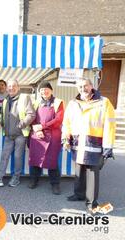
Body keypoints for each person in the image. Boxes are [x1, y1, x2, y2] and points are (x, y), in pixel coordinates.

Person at [62, 78, 116, 215]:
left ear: (91, 86)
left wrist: (108, 146)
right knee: (79, 171)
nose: (82, 89)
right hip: (78, 143)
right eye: (80, 87)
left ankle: (92, 203)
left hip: (94, 143)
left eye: (85, 86)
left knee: (92, 174)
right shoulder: (73, 103)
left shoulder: (104, 102)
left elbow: (110, 125)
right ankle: (79, 194)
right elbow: (66, 122)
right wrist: (65, 137)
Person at [0, 79, 35, 187]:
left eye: (14, 86)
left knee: (18, 157)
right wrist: (0, 122)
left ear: (18, 88)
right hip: (8, 134)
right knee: (4, 156)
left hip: (20, 134)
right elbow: (2, 114)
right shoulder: (5, 99)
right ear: (7, 88)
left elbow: (31, 114)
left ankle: (16, 178)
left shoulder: (24, 98)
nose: (11, 88)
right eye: (10, 86)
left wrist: (21, 125)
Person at [28, 81, 64, 195]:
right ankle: (34, 180)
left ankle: (55, 184)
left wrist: (43, 126)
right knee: (35, 158)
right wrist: (37, 129)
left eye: (46, 89)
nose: (44, 91)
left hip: (53, 135)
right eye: (42, 90)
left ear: (51, 90)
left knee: (52, 160)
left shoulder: (58, 102)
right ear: (39, 92)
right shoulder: (36, 102)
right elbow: (32, 117)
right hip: (37, 134)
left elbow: (58, 120)